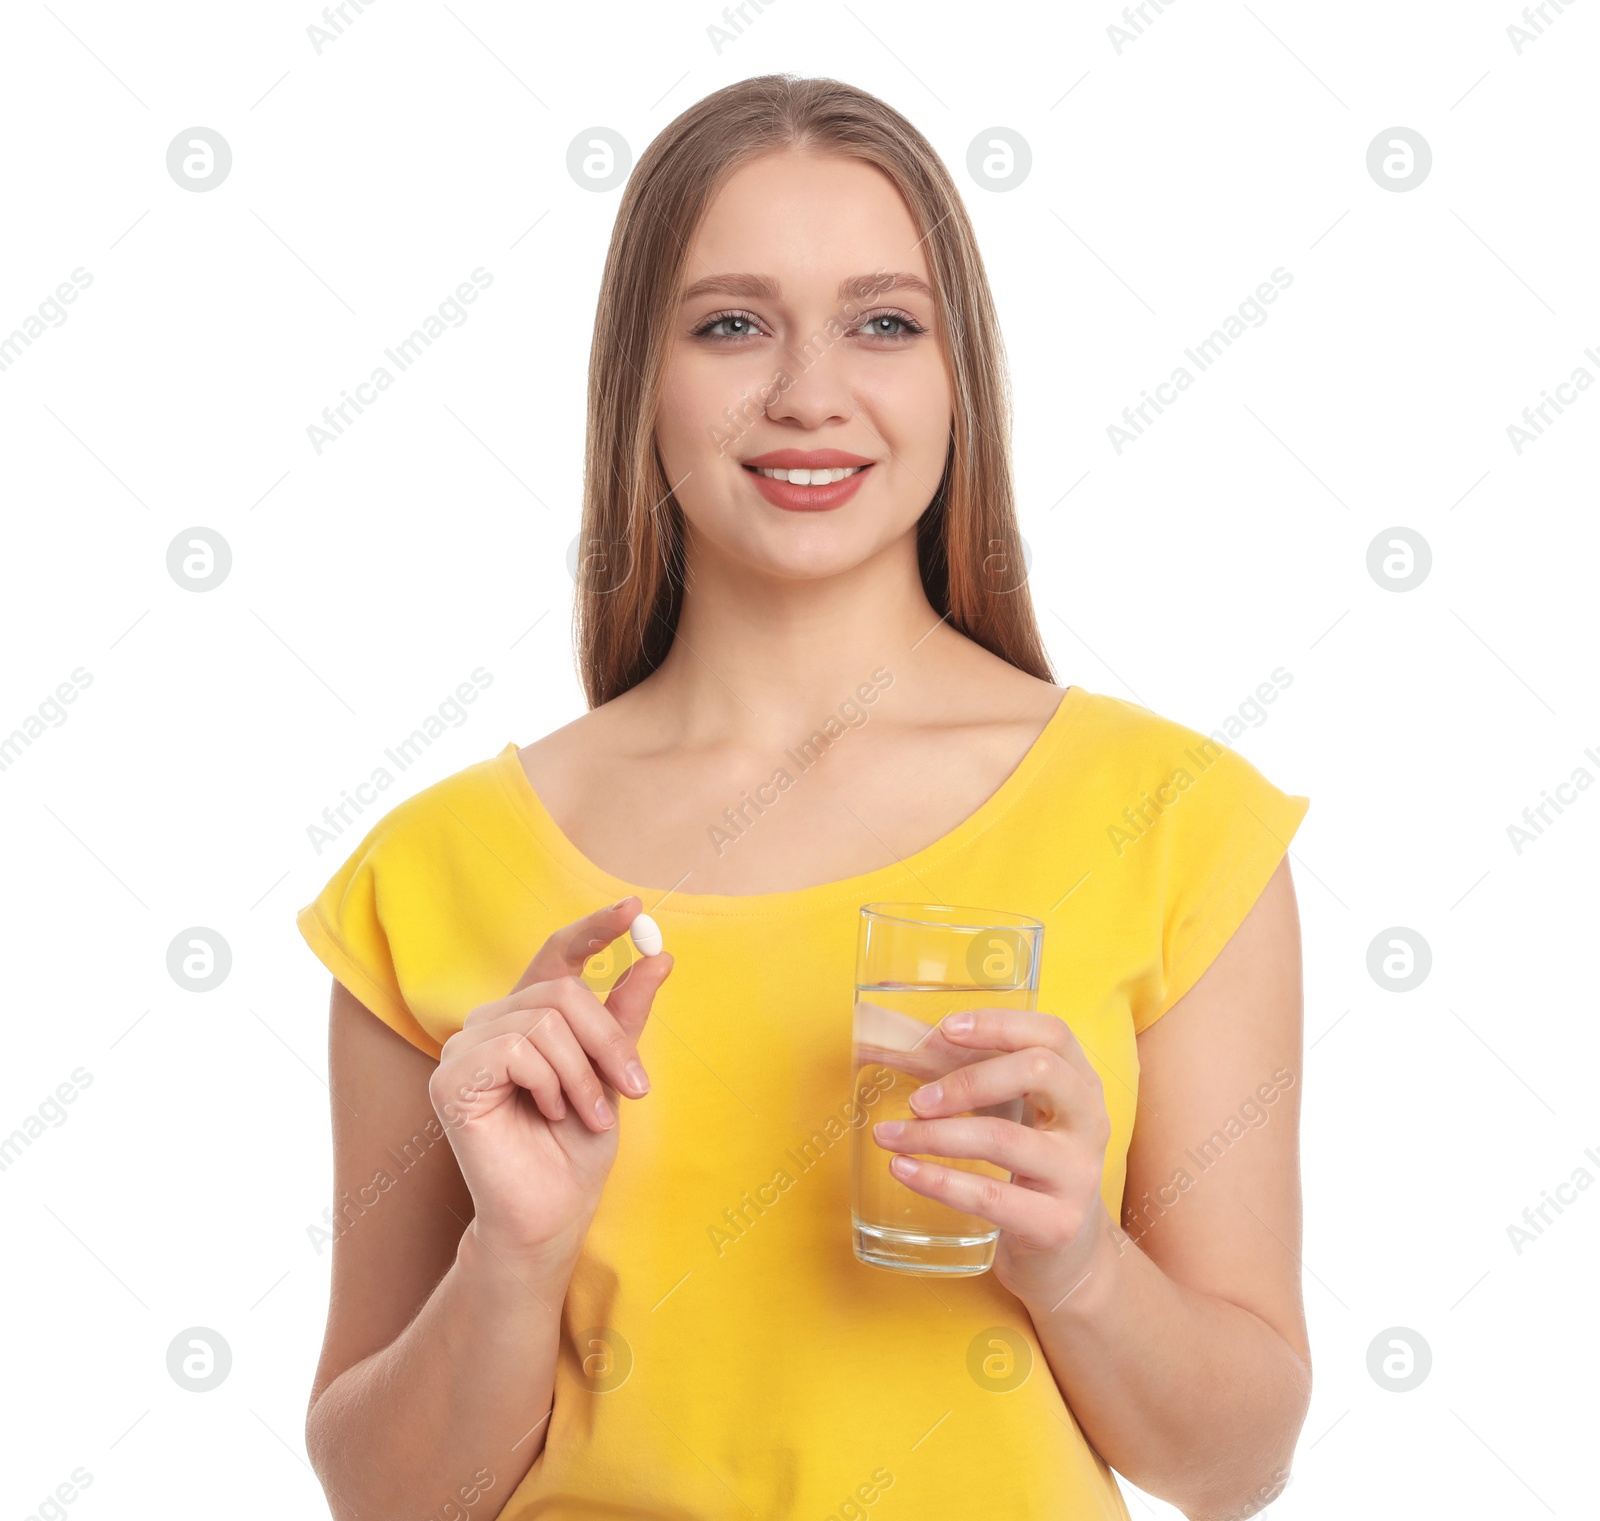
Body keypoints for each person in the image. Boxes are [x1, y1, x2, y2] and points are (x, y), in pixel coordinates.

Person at [297, 73, 1312, 1521]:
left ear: (959, 374)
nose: (810, 392)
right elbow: (386, 1501)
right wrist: (512, 1254)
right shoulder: (431, 874)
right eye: (731, 324)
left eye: (884, 322)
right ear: (637, 379)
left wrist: (1079, 1261)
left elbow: (1237, 1464)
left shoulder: (1171, 823)